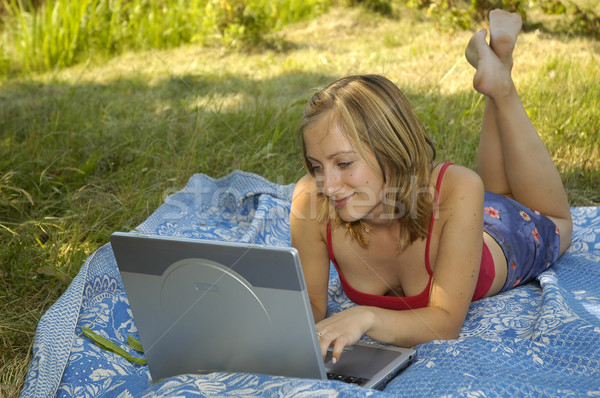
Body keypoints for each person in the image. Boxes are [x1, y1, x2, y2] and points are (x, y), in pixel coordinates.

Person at [289, 9, 572, 365]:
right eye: (317, 166)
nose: (327, 186)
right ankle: (497, 61)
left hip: (507, 232)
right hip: (460, 221)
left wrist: (367, 316)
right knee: (496, 187)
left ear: (392, 150)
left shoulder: (459, 186)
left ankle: (502, 86)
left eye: (344, 163)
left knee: (556, 220)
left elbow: (445, 322)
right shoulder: (310, 201)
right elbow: (308, 310)